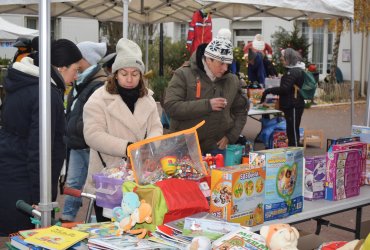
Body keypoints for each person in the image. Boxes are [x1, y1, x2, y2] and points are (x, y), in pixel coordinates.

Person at [0, 38, 82, 235]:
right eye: (75, 69)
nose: (76, 76)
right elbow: (39, 149)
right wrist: (41, 196)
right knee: (24, 238)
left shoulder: (25, 83)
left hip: (10, 174)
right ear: (61, 68)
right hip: (25, 185)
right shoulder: (46, 94)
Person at [83, 38, 163, 221]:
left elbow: (156, 129)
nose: (129, 79)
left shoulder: (148, 100)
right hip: (109, 179)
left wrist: (147, 148)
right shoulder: (99, 99)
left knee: (140, 227)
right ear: (115, 74)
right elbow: (92, 135)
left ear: (141, 75)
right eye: (124, 73)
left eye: (135, 73)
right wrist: (128, 147)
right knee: (110, 232)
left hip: (141, 178)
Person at [164, 28, 248, 155]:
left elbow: (241, 110)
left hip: (216, 148)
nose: (225, 68)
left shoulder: (232, 80)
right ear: (208, 59)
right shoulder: (183, 74)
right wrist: (207, 105)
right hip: (183, 148)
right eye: (221, 63)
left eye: (228, 64)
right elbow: (171, 107)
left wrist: (231, 136)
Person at [61, 41, 108, 222]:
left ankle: (100, 221)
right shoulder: (80, 81)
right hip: (77, 142)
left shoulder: (98, 83)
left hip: (89, 144)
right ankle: (67, 219)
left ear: (85, 59)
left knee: (98, 186)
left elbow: (94, 116)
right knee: (73, 184)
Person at [260, 48, 305, 147]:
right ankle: (293, 153)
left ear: (288, 58)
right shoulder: (294, 70)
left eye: (283, 57)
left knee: (292, 131)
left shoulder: (293, 71)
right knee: (292, 131)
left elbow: (284, 89)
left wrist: (269, 91)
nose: (281, 59)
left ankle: (296, 154)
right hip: (293, 104)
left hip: (293, 105)